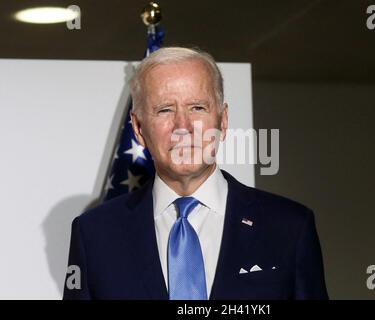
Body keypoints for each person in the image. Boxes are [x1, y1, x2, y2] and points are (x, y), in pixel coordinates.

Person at [63, 47, 328, 300]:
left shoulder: (289, 227)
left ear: (223, 121)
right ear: (139, 128)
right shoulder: (95, 234)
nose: (183, 126)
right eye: (165, 109)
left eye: (198, 108)